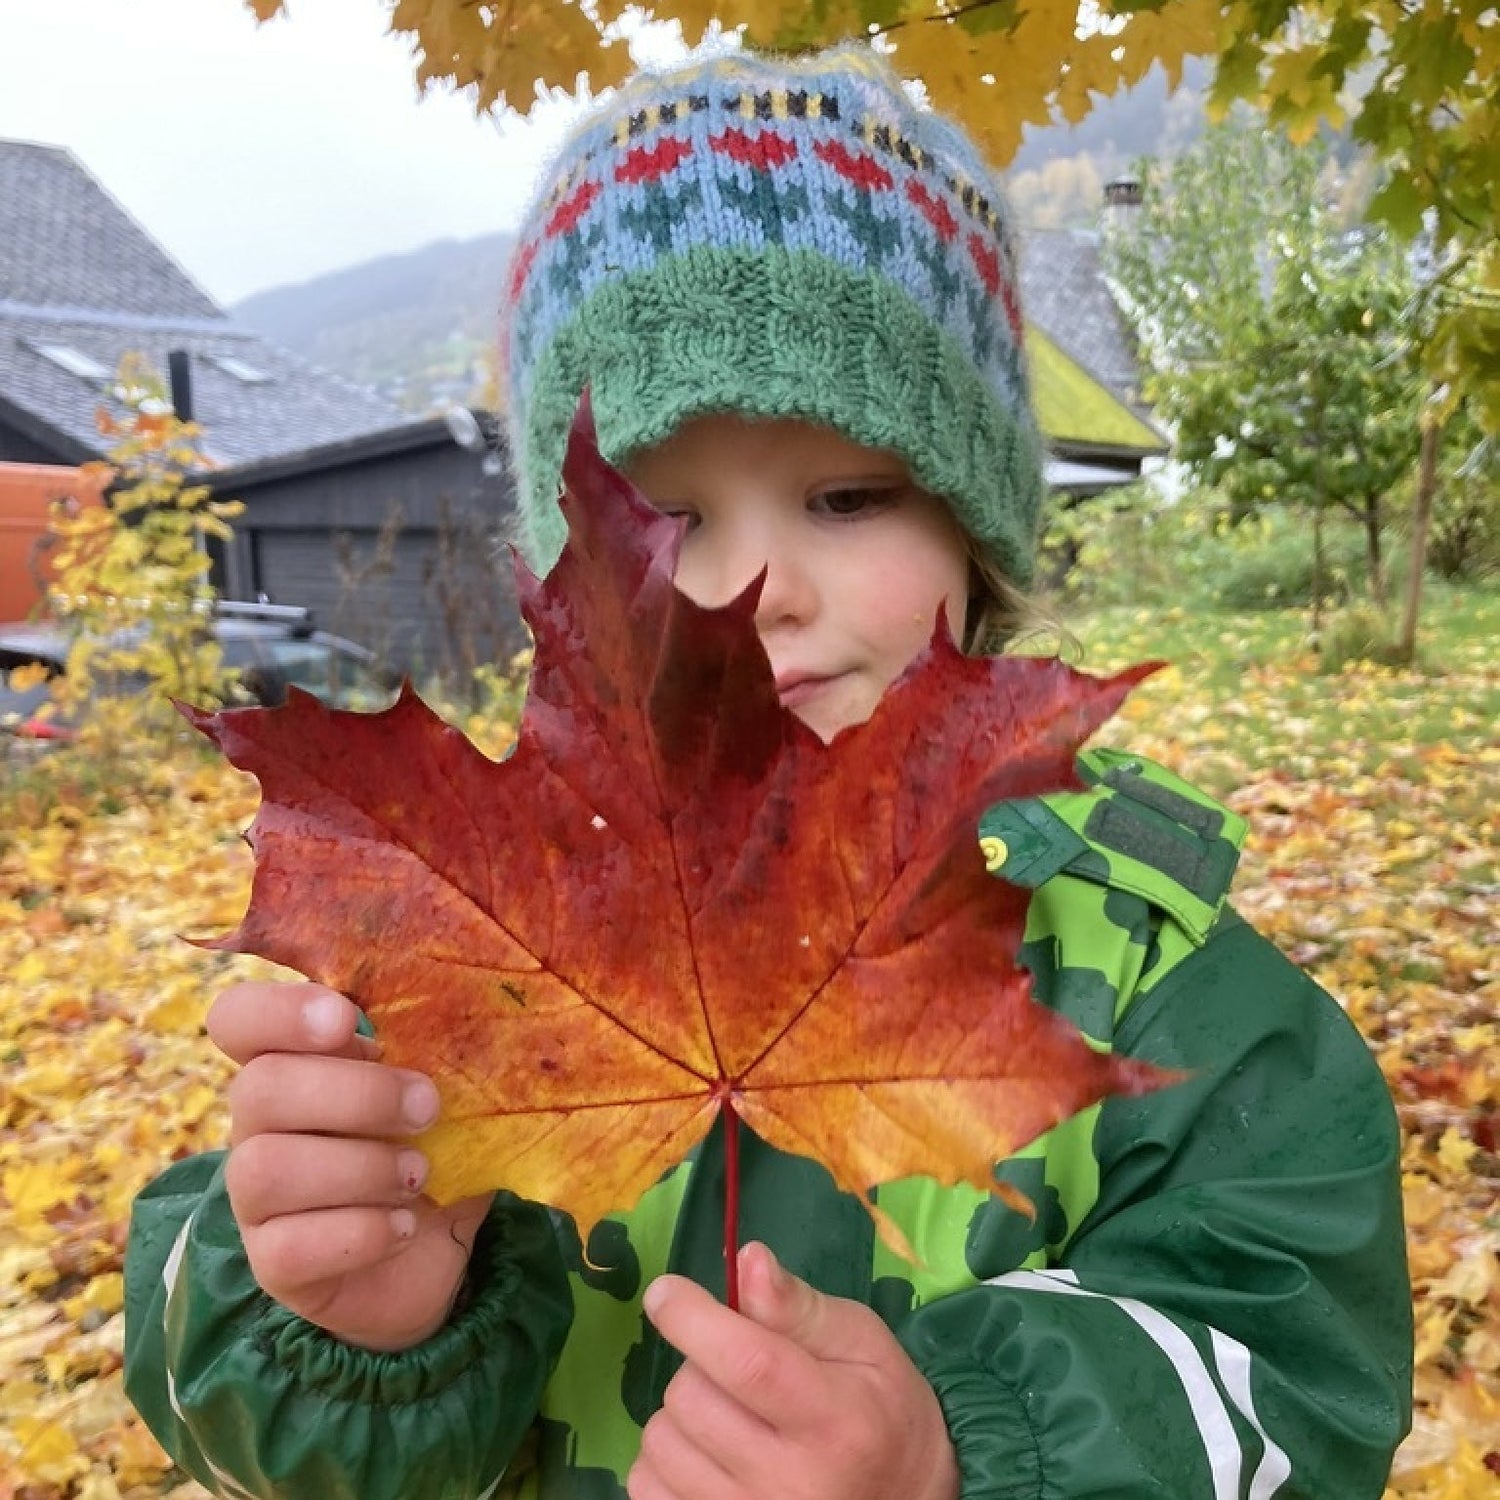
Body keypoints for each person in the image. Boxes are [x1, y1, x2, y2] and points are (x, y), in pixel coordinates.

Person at [123, 42, 1412, 1500]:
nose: (756, 590)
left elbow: (1293, 1383)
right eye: (666, 523)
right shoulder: (467, 960)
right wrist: (344, 1331)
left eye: (848, 495)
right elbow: (222, 1414)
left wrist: (959, 1453)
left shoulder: (1162, 985)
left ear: (979, 543)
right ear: (573, 595)